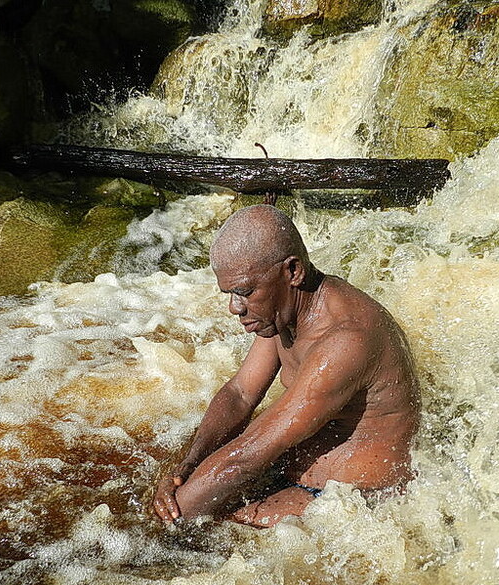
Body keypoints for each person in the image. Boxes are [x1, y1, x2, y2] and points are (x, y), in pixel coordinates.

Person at [152, 204, 420, 527]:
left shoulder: (346, 339)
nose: (234, 307)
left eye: (245, 292)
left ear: (292, 271)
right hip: (299, 477)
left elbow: (249, 456)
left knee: (216, 527)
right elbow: (239, 394)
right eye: (230, 293)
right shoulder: (280, 312)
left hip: (361, 501)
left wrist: (173, 515)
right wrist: (186, 469)